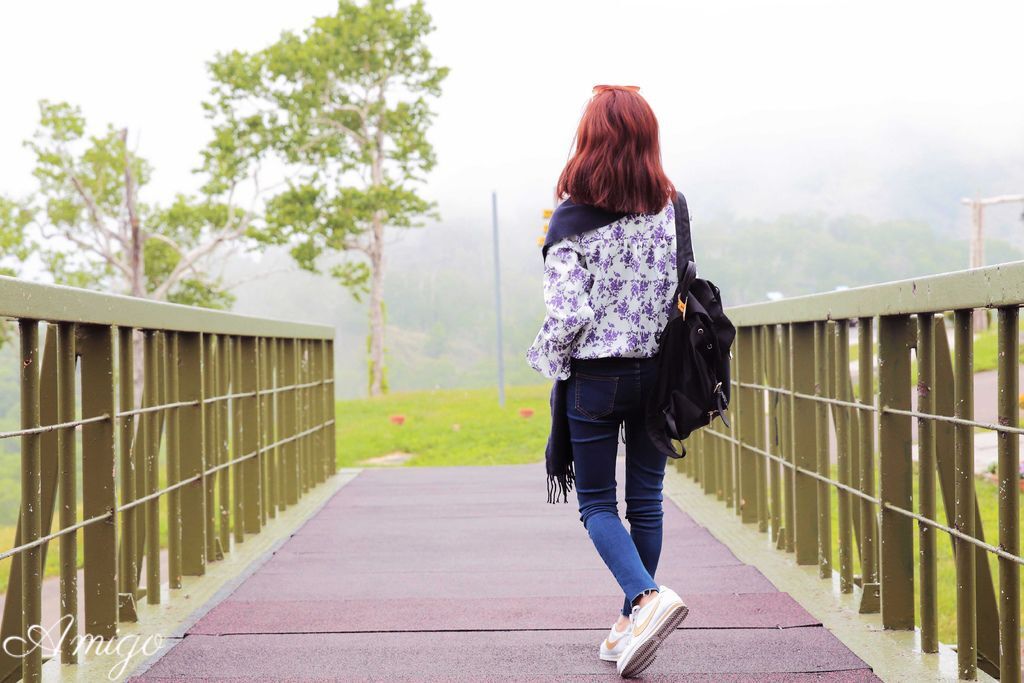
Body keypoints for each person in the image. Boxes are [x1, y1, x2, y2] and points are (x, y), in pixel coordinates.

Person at [526, 85, 689, 679]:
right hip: (658, 374)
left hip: (597, 380)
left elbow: (568, 315)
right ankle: (630, 625)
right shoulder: (672, 208)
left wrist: (545, 359)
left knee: (595, 502)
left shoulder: (570, 219)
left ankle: (646, 600)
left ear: (589, 140)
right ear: (648, 140)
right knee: (644, 500)